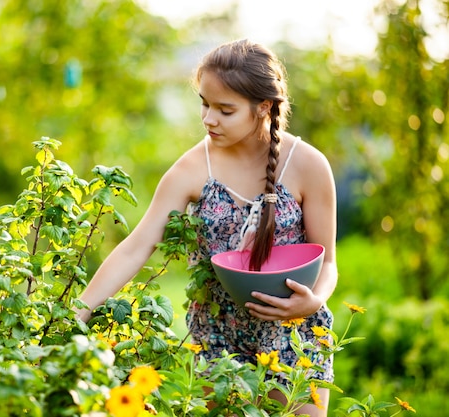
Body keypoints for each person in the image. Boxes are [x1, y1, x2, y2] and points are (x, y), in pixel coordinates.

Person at [77, 39, 337, 416]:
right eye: (204, 103)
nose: (208, 119)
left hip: (296, 338)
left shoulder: (309, 165)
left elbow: (327, 261)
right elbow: (137, 246)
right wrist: (78, 311)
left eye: (225, 110)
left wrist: (313, 301)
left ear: (264, 107)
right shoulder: (192, 169)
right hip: (217, 343)